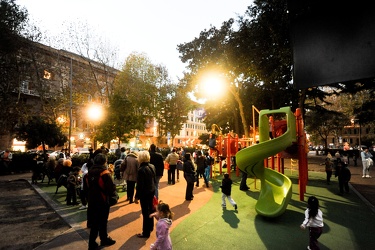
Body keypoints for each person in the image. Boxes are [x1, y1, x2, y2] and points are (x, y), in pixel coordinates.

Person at [84, 153, 116, 249]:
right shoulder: (105, 173)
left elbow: (86, 188)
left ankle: (93, 242)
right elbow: (110, 188)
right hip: (103, 200)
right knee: (102, 221)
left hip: (92, 200)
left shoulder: (89, 173)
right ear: (104, 162)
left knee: (94, 222)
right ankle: (103, 239)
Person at [134, 151, 156, 239]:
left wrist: (136, 197)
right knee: (151, 210)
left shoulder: (141, 169)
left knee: (145, 212)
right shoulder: (152, 166)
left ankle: (146, 232)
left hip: (145, 193)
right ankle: (150, 227)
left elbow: (140, 185)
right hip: (151, 191)